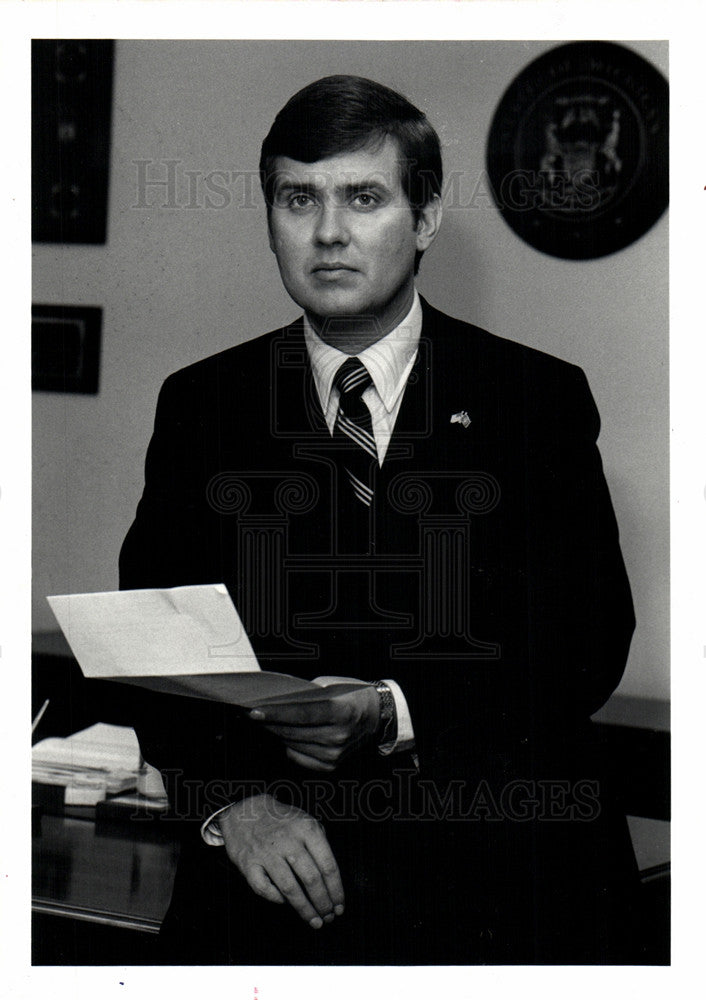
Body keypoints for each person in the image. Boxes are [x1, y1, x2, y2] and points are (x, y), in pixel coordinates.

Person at [119, 75, 639, 965]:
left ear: (426, 218)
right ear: (270, 216)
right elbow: (151, 648)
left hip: (496, 881)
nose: (327, 233)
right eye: (298, 198)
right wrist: (231, 805)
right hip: (271, 883)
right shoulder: (203, 402)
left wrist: (392, 710)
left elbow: (587, 641)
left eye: (364, 197)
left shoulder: (534, 398)